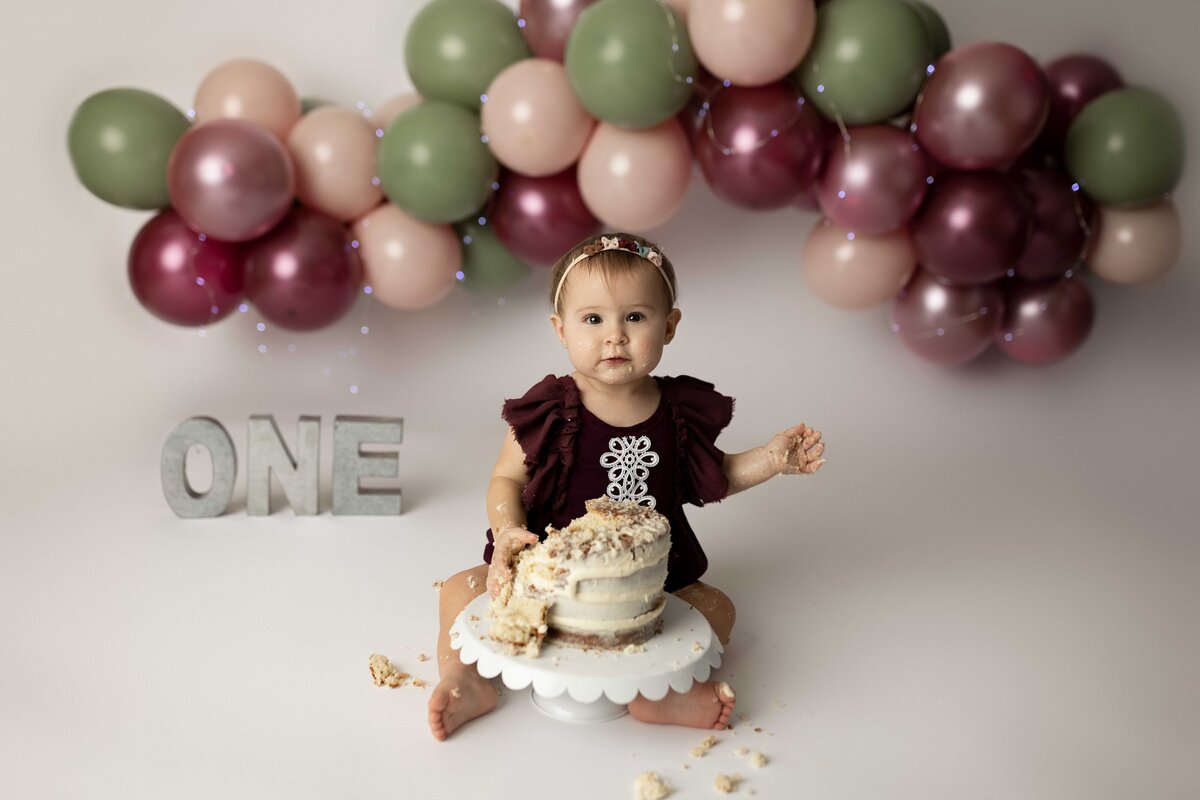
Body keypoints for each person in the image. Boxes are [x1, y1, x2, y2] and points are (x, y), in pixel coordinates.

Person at [428, 232, 825, 741]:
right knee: (458, 590)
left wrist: (769, 460)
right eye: (592, 319)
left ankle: (658, 693)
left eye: (634, 317)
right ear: (560, 329)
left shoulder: (678, 412)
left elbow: (714, 475)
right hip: (548, 573)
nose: (614, 335)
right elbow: (507, 478)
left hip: (652, 578)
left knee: (716, 608)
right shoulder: (551, 409)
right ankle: (466, 682)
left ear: (670, 325)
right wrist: (506, 533)